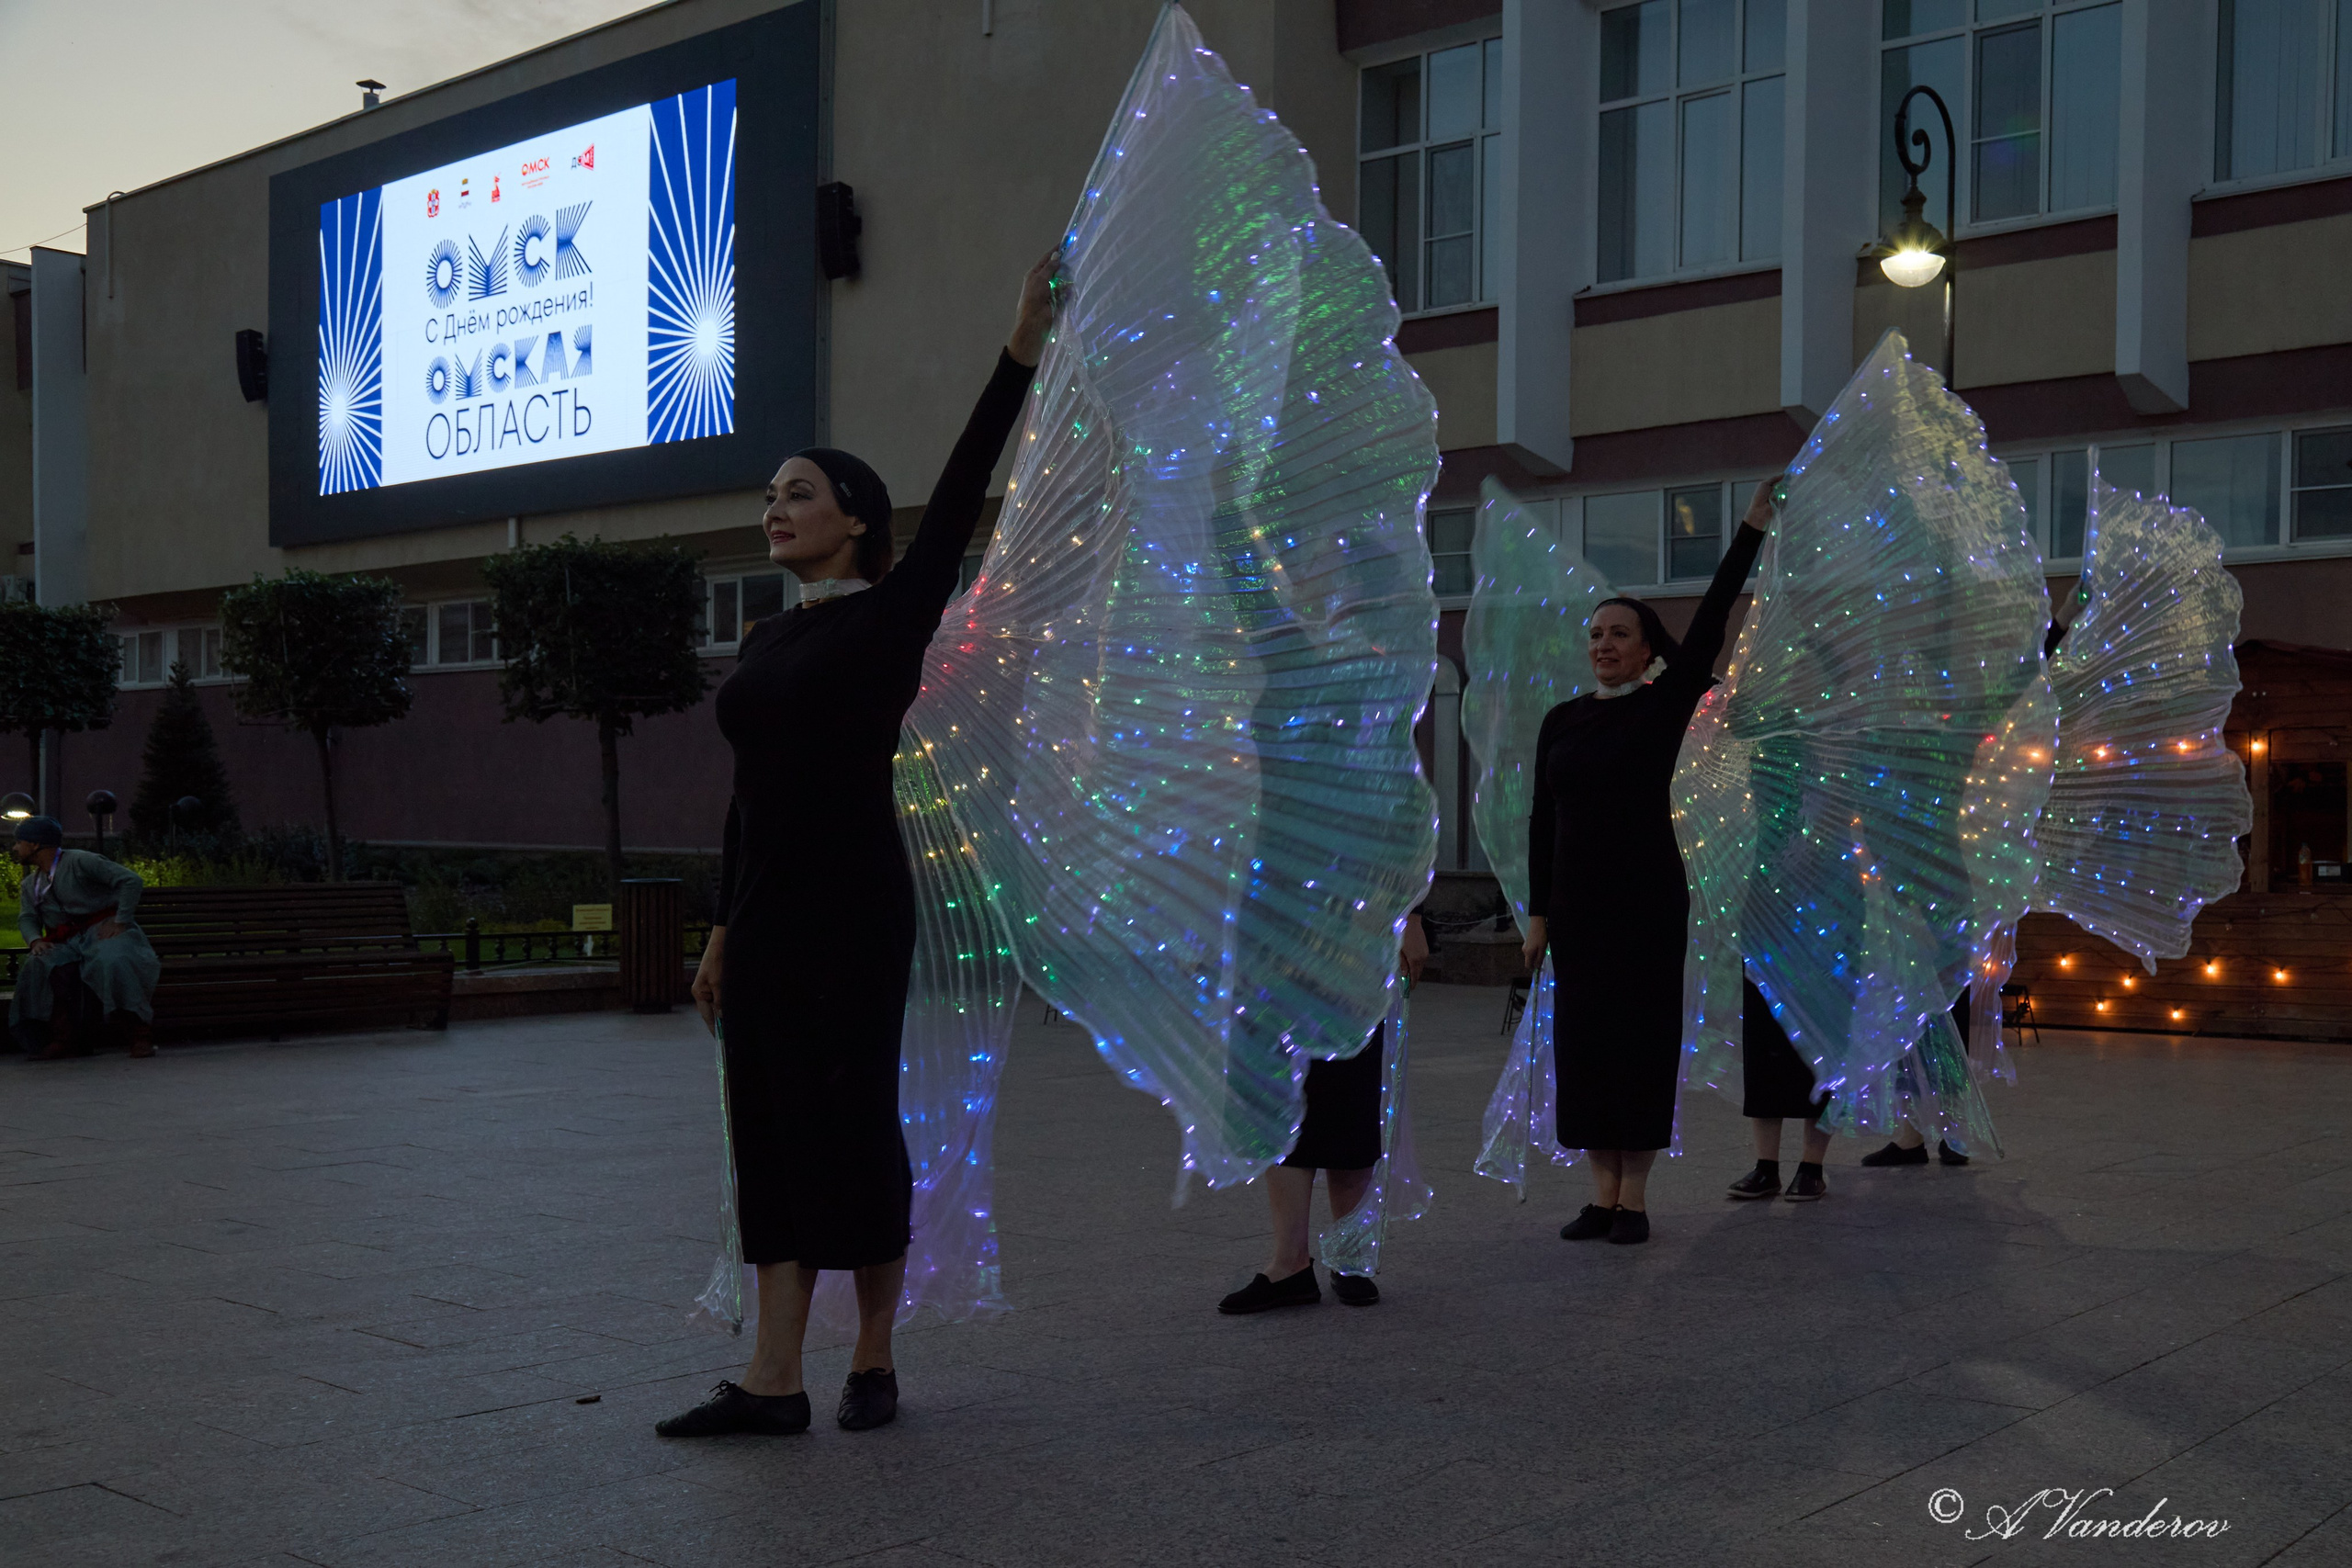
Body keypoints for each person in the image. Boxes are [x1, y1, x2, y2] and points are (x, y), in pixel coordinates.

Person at [657, 253, 1057, 1441]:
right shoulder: (772, 642)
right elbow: (748, 800)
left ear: (858, 519)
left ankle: (872, 1353)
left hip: (853, 912)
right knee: (767, 1132)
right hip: (771, 915)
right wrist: (724, 927)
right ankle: (774, 1379)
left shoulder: (892, 615)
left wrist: (1020, 345)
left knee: (850, 1126)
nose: (775, 509)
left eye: (799, 493)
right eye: (771, 495)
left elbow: (971, 470)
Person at [1524, 479, 1775, 1246]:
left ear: (1645, 649)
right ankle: (1599, 1194)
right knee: (1586, 1049)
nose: (1603, 644)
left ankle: (1634, 1198)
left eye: (1619, 634)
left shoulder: (1659, 708)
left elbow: (1709, 626)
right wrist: (1537, 916)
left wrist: (1750, 531)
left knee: (1638, 1046)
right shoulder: (1561, 720)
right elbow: (1543, 820)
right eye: (1595, 634)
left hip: (1645, 907)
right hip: (1576, 911)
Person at [1218, 911, 1428, 1314]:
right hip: (1273, 934)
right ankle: (1290, 1263)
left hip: (1354, 933)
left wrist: (1412, 919)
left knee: (1348, 1087)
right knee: (1280, 1095)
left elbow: (1400, 847)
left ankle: (1349, 1257)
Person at [8, 817, 161, 1060]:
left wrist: (121, 920)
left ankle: (139, 1034)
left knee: (112, 960)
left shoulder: (80, 861)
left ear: (35, 845)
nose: (15, 848)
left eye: (19, 842)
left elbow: (130, 880)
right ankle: (63, 1039)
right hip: (67, 941)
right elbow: (27, 917)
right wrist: (36, 940)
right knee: (41, 964)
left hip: (102, 930)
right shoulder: (31, 884)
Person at [1725, 976, 1832, 1200]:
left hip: (1825, 945)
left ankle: (1811, 1167)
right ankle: (1766, 1166)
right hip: (1763, 944)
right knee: (1762, 1044)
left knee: (1820, 1046)